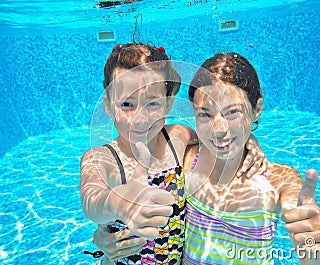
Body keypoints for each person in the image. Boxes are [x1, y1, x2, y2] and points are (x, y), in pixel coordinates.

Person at [93, 52, 320, 264]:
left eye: (232, 112)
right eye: (205, 114)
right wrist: (104, 236)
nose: (219, 129)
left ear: (257, 110)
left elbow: (304, 225)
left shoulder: (278, 181)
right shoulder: (185, 160)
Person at [80, 44, 267, 265]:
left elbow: (218, 138)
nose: (140, 118)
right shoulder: (103, 158)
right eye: (127, 104)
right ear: (109, 105)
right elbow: (92, 199)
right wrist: (118, 204)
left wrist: (249, 141)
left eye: (152, 104)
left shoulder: (178, 138)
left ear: (168, 103)